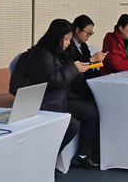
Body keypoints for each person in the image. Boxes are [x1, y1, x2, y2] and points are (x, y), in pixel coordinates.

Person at [24, 18, 98, 168]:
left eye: (69, 39)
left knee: (89, 113)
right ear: (56, 37)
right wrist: (73, 69)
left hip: (60, 99)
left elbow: (66, 78)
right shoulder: (42, 54)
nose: (68, 43)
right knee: (72, 125)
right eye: (66, 39)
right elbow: (53, 80)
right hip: (45, 102)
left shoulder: (60, 52)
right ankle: (47, 161)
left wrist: (78, 71)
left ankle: (78, 155)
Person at [65, 15, 106, 169]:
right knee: (92, 112)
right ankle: (83, 154)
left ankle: (95, 151)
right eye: (87, 32)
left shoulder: (82, 45)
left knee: (101, 106)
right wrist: (91, 61)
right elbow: (73, 70)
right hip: (71, 93)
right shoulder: (68, 48)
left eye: (91, 33)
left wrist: (94, 65)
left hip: (82, 88)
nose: (89, 36)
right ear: (77, 30)